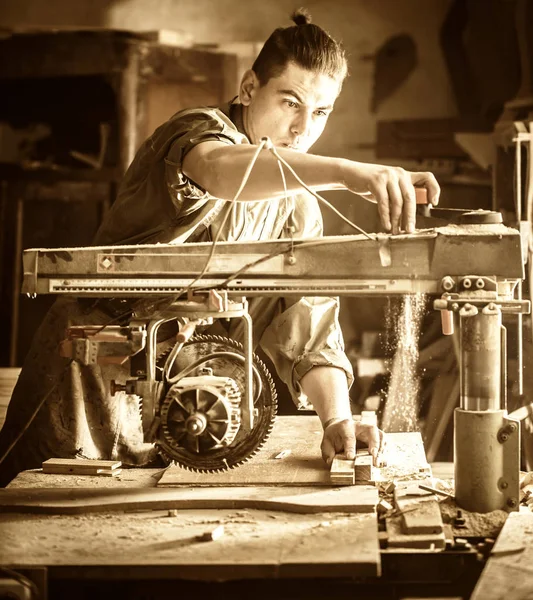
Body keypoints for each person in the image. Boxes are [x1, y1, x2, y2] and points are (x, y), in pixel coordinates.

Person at [0, 9, 439, 486]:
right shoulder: (195, 133)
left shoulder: (295, 204)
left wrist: (337, 420)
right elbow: (220, 171)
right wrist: (348, 172)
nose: (302, 129)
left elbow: (307, 320)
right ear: (249, 88)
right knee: (41, 514)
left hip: (183, 408)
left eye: (320, 112)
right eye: (290, 102)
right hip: (87, 378)